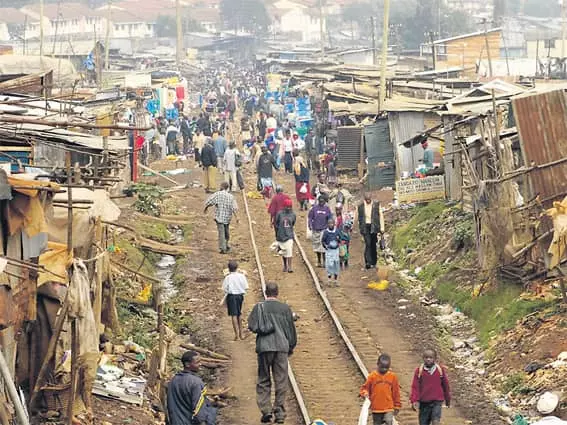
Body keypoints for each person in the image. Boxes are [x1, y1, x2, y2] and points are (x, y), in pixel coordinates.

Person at [248, 282, 297, 424]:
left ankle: (266, 411)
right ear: (277, 292)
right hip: (281, 347)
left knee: (263, 378)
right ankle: (280, 412)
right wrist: (291, 346)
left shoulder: (259, 307)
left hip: (264, 347)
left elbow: (251, 325)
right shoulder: (285, 308)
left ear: (265, 292)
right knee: (281, 379)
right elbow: (290, 331)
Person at [167, 351, 217, 425]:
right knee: (212, 410)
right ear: (187, 364)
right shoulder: (196, 383)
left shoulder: (173, 380)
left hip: (175, 421)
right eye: (197, 362)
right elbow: (198, 409)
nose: (200, 364)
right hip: (188, 422)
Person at [410, 348, 451, 425]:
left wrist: (447, 399)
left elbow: (445, 385)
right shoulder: (419, 371)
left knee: (436, 421)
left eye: (431, 357)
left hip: (437, 401)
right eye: (426, 357)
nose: (428, 359)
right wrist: (414, 400)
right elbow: (415, 387)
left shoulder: (440, 370)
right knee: (423, 422)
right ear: (423, 358)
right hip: (424, 402)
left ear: (435, 359)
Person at [360, 353, 401, 425]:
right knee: (377, 423)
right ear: (378, 364)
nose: (384, 369)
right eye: (382, 367)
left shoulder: (393, 377)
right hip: (376, 407)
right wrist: (364, 393)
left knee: (389, 421)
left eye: (387, 367)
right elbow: (365, 388)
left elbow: (396, 392)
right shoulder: (372, 376)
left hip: (389, 406)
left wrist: (397, 405)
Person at [204, 182, 238, 254]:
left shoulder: (217, 194)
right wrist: (237, 217)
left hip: (219, 217)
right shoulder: (231, 196)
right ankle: (224, 246)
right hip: (227, 218)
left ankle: (223, 247)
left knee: (221, 233)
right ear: (227, 188)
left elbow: (209, 201)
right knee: (226, 232)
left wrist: (206, 207)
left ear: (221, 187)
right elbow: (234, 208)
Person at [222, 260, 249, 340]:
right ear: (237, 268)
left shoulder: (228, 277)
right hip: (240, 296)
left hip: (231, 296)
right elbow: (246, 287)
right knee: (239, 313)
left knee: (233, 315)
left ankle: (236, 335)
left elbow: (224, 288)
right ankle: (242, 333)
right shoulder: (242, 276)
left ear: (229, 269)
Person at [357, 193, 385, 270]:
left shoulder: (376, 204)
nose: (368, 201)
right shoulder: (361, 206)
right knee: (368, 243)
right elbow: (359, 218)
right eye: (367, 200)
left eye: (369, 200)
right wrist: (360, 228)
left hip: (374, 226)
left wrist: (382, 228)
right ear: (364, 199)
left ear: (371, 198)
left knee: (373, 244)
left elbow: (381, 215)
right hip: (366, 227)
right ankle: (368, 262)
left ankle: (374, 262)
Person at [308, 196, 332, 268]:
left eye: (323, 201)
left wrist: (330, 226)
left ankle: (324, 261)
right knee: (317, 246)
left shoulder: (327, 209)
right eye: (320, 201)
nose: (321, 202)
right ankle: (319, 261)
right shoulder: (314, 208)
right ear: (318, 201)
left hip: (324, 229)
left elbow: (330, 218)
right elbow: (310, 217)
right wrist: (310, 225)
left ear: (325, 201)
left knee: (323, 246)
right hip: (315, 229)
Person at [275, 198, 296, 273]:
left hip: (289, 235)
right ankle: (285, 265)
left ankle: (290, 267)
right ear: (284, 206)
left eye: (290, 207)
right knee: (284, 251)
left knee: (289, 251)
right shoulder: (279, 214)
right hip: (281, 235)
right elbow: (276, 224)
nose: (288, 208)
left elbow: (293, 223)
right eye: (287, 207)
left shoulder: (293, 214)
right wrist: (277, 234)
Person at [321, 217, 341, 286]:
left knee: (336, 264)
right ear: (327, 224)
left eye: (332, 223)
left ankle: (335, 280)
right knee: (329, 264)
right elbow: (323, 241)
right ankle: (329, 279)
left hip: (336, 250)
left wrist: (338, 241)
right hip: (329, 250)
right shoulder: (326, 232)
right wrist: (325, 246)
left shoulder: (337, 231)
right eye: (329, 223)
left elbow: (340, 239)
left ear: (334, 224)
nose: (331, 225)